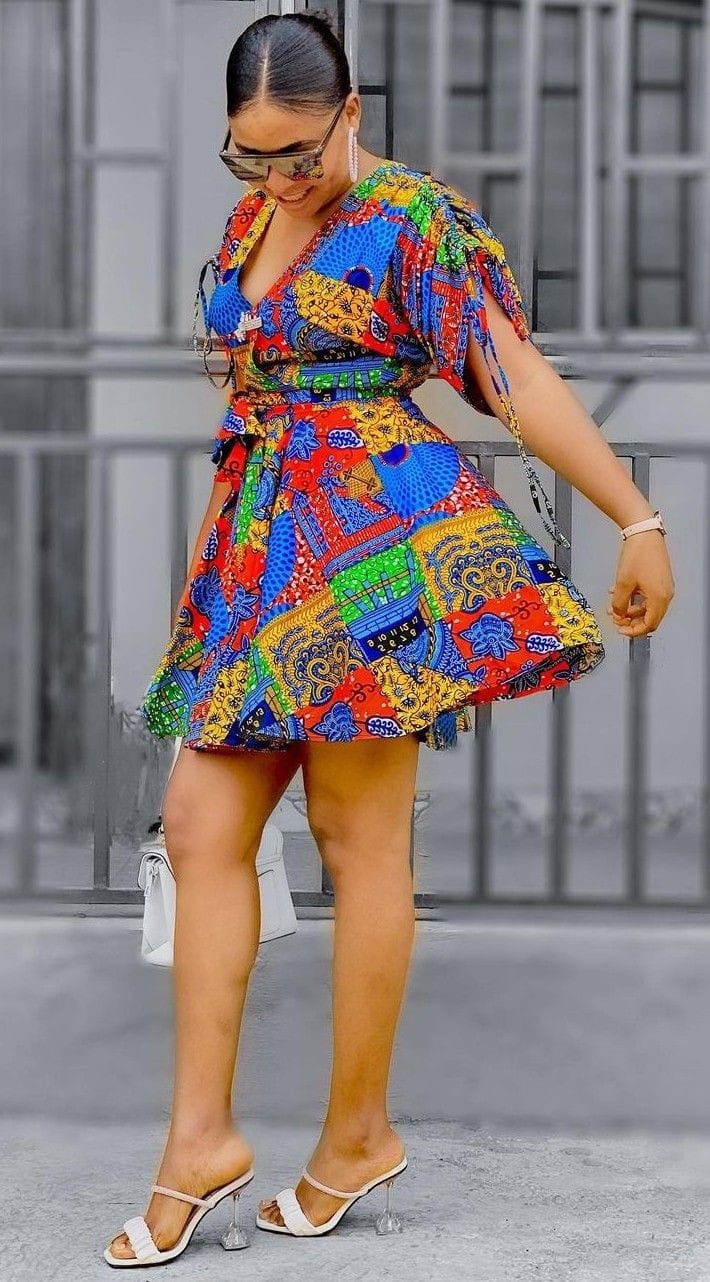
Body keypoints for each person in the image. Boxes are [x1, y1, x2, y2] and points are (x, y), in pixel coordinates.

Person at [104, 9, 675, 1266]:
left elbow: (512, 377)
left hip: (370, 562)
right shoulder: (249, 224)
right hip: (261, 554)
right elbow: (250, 393)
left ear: (350, 114)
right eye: (248, 155)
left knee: (361, 844)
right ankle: (199, 1137)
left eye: (296, 152)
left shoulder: (413, 221)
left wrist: (633, 518)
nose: (274, 177)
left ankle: (355, 1132)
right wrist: (214, 569)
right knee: (198, 827)